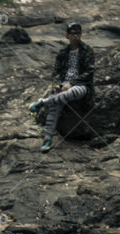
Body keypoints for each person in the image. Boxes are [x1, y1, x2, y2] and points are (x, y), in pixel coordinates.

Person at [29, 22, 95, 152]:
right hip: (63, 84)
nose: (75, 36)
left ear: (81, 35)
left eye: (78, 33)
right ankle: (48, 139)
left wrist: (72, 83)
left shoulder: (87, 50)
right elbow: (56, 72)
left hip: (81, 85)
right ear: (67, 35)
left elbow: (89, 72)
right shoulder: (63, 52)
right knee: (56, 104)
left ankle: (43, 102)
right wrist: (58, 84)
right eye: (72, 33)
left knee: (70, 93)